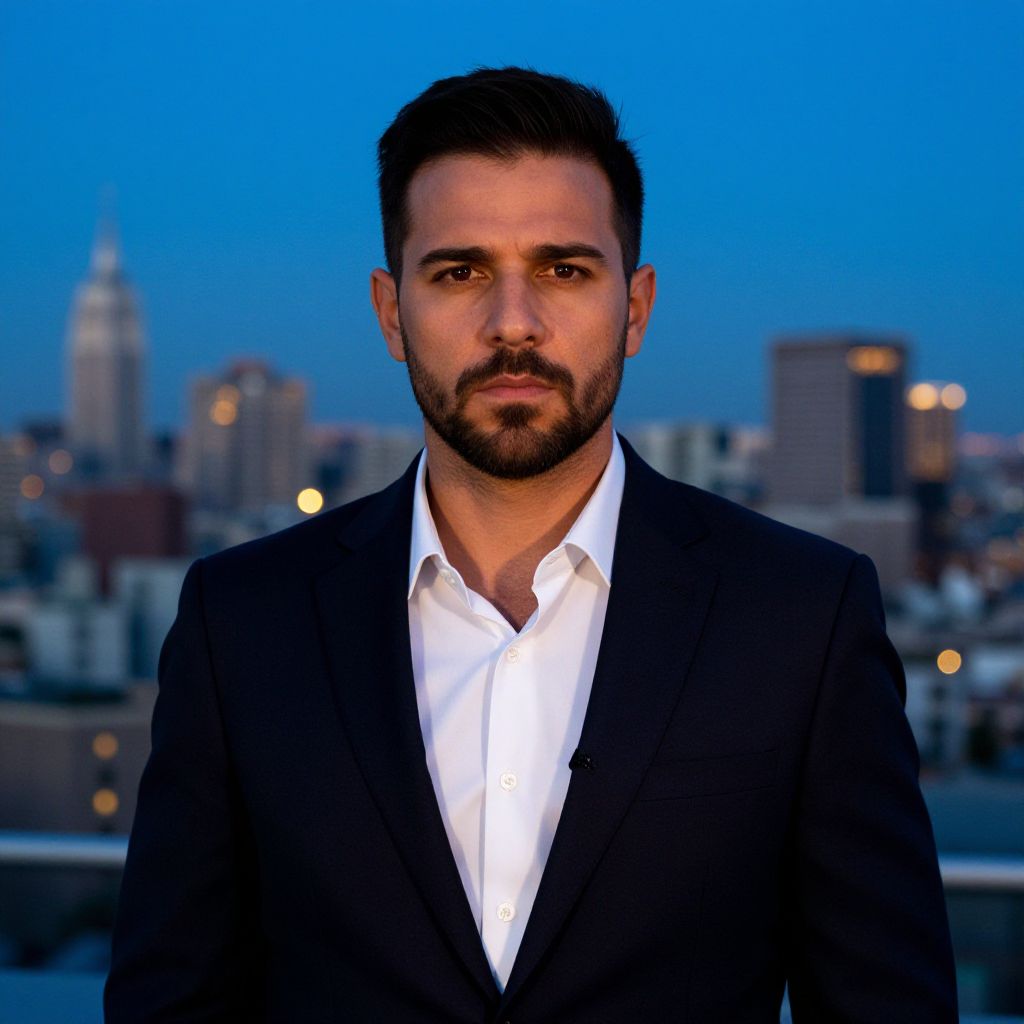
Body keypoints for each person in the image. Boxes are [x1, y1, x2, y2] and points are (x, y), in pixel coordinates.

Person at [105, 67, 958, 1022]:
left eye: (564, 269)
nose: (513, 324)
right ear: (392, 313)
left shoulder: (802, 614)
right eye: (460, 271)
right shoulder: (242, 622)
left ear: (634, 308)